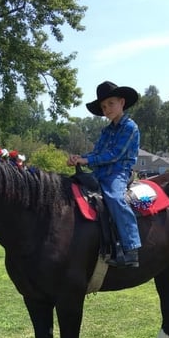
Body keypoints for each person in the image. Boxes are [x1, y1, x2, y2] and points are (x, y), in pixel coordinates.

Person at [68, 81, 142, 267]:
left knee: (115, 198)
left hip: (119, 172)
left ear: (122, 102)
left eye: (110, 103)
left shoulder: (130, 127)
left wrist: (88, 161)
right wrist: (80, 158)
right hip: (100, 173)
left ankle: (131, 247)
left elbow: (115, 154)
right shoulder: (106, 131)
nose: (106, 109)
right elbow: (96, 153)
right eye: (103, 106)